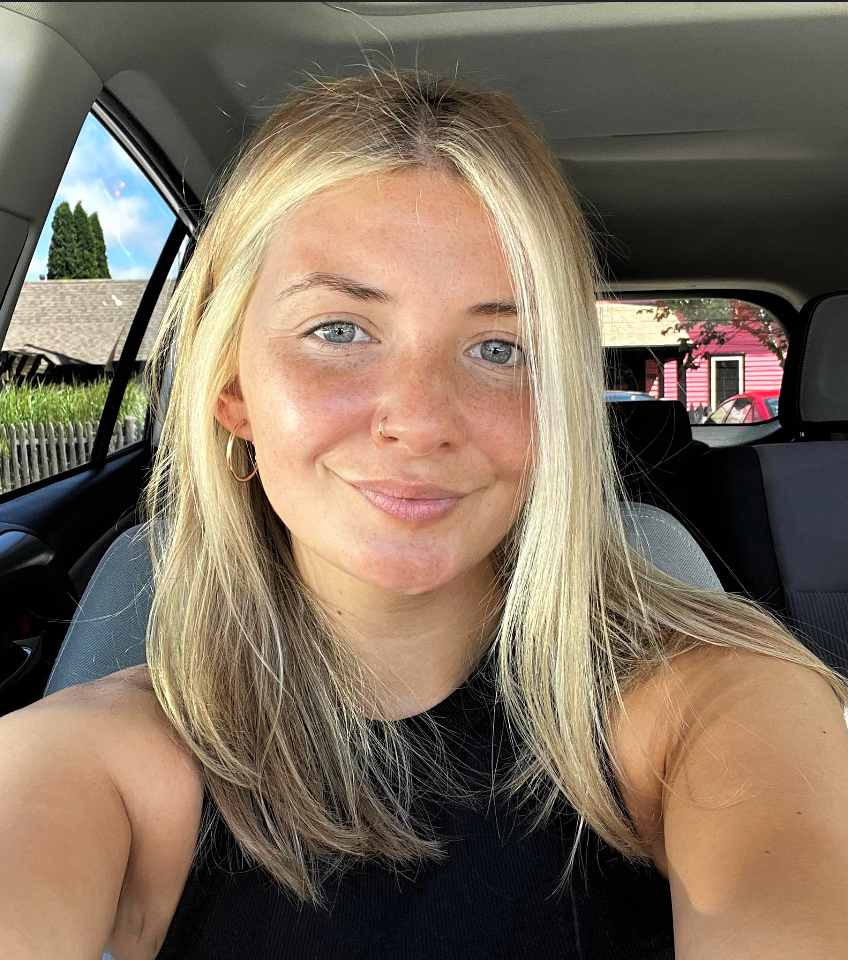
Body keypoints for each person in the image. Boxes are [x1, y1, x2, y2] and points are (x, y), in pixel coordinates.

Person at [3, 68, 848, 960]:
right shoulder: (96, 759)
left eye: (499, 348)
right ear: (232, 386)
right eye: (338, 331)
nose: (419, 420)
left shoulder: (724, 708)